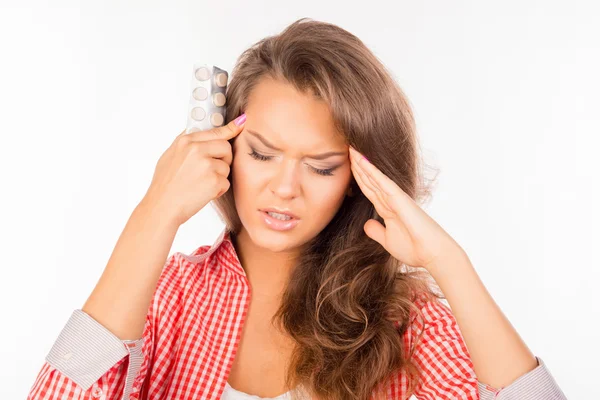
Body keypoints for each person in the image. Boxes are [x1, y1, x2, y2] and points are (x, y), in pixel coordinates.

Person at [27, 18, 567, 400]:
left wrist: (451, 261)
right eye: (262, 153)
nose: (285, 188)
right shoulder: (168, 296)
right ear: (226, 148)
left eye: (321, 166)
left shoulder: (405, 324)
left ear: (359, 180)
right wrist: (154, 215)